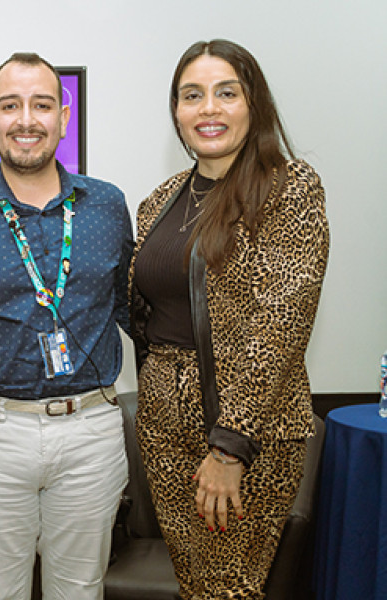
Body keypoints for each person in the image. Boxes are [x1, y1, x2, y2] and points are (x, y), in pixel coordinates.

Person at [129, 39, 329, 599]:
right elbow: (146, 309)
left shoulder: (289, 188)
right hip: (164, 423)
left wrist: (229, 445)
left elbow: (278, 325)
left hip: (245, 428)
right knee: (197, 585)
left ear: (253, 104)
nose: (208, 109)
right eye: (192, 95)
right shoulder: (162, 199)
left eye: (226, 93)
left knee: (228, 589)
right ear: (176, 110)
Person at [0, 53, 133, 599]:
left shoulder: (107, 206)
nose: (26, 119)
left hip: (90, 431)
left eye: (42, 104)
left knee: (80, 590)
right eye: (10, 105)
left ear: (63, 117)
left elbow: (130, 309)